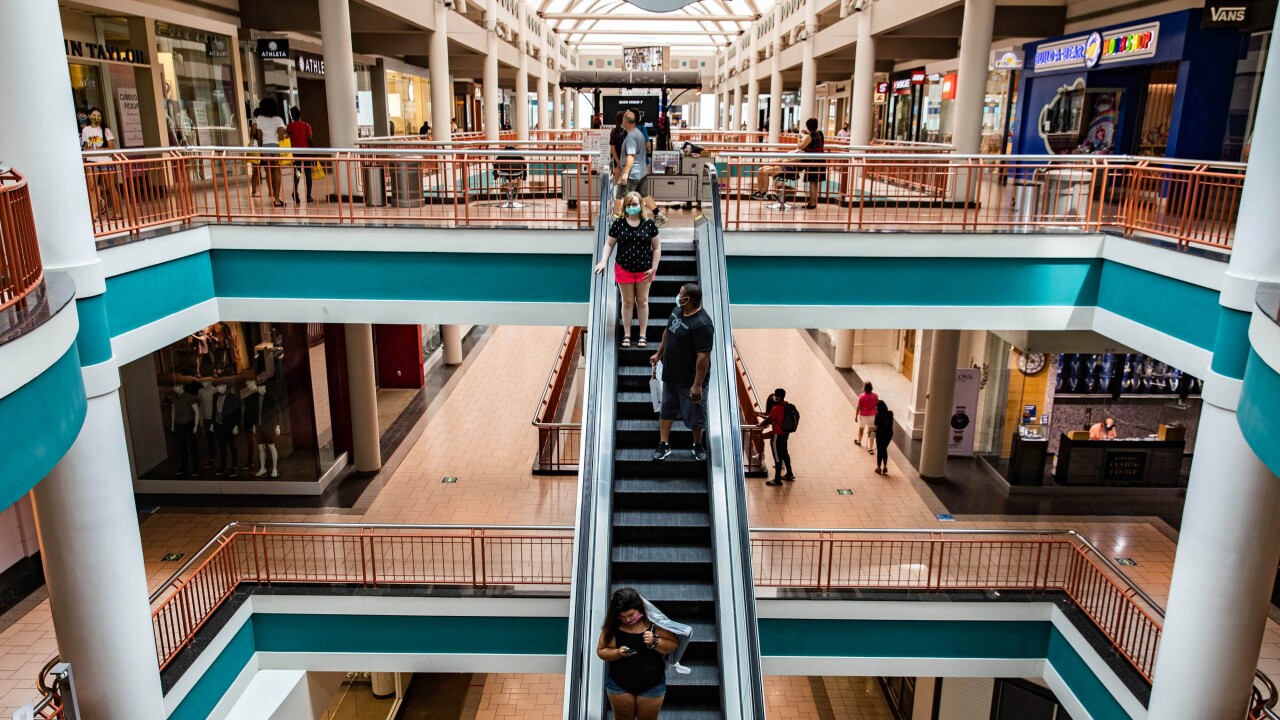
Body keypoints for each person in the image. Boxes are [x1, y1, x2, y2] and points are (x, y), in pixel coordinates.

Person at [650, 283, 713, 462]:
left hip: (690, 382)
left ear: (688, 300)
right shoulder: (677, 311)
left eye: (681, 295)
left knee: (696, 413)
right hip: (670, 377)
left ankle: (697, 444)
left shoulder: (702, 325)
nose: (678, 297)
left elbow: (703, 358)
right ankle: (664, 444)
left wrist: (697, 385)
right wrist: (658, 353)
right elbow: (667, 332)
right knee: (667, 410)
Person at [597, 588, 678, 720]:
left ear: (639, 609)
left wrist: (655, 641)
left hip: (652, 685)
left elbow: (673, 644)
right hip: (619, 684)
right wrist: (618, 652)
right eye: (622, 616)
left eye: (630, 615)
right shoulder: (613, 627)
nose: (627, 620)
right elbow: (601, 651)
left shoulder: (653, 623)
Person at [594, 191, 661, 349]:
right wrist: (603, 261)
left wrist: (654, 268)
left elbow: (657, 247)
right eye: (629, 204)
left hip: (645, 270)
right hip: (624, 269)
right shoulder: (619, 224)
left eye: (635, 204)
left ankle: (642, 335)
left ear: (641, 206)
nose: (632, 207)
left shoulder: (649, 224)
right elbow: (609, 244)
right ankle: (627, 334)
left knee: (642, 301)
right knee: (628, 302)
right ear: (625, 207)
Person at [615, 110, 668, 226]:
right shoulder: (639, 133)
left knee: (621, 196)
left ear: (625, 122)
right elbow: (646, 146)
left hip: (632, 173)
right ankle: (659, 215)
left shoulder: (631, 137)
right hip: (642, 171)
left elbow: (631, 155)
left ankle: (617, 222)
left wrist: (625, 173)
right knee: (644, 195)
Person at [81, 106, 121, 219]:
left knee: (110, 187)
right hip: (91, 162)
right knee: (92, 187)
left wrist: (97, 150)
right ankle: (94, 213)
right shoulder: (86, 130)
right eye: (94, 115)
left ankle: (117, 212)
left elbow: (111, 148)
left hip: (106, 162)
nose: (96, 117)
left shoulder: (106, 130)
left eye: (98, 116)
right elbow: (85, 147)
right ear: (89, 116)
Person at [254, 98, 288, 207]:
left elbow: (259, 137)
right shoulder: (278, 120)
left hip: (264, 147)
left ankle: (272, 193)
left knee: (269, 172)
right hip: (276, 147)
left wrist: (259, 150)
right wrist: (283, 135)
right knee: (277, 171)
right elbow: (280, 136)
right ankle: (277, 199)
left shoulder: (259, 119)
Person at [757, 388, 795, 485]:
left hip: (777, 435)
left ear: (777, 397)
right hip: (785, 434)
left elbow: (769, 420)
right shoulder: (786, 405)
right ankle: (789, 473)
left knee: (777, 457)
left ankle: (777, 480)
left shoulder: (776, 408)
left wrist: (759, 425)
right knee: (785, 453)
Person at [286, 106, 315, 204]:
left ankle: (295, 192)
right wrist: (313, 153)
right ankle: (308, 196)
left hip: (296, 153)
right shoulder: (307, 125)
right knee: (308, 174)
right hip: (307, 153)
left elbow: (287, 135)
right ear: (300, 115)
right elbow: (310, 140)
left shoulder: (290, 126)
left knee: (297, 173)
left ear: (292, 116)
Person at [873, 400, 894, 475]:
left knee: (880, 450)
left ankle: (878, 468)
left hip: (880, 434)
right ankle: (885, 467)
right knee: (884, 449)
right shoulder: (890, 413)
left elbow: (875, 427)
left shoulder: (878, 415)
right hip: (888, 434)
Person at [855, 381, 878, 447]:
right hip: (872, 416)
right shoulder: (875, 396)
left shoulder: (862, 396)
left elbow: (858, 407)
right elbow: (877, 405)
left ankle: (859, 441)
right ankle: (870, 447)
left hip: (863, 416)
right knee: (871, 431)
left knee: (861, 429)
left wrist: (856, 417)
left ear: (864, 387)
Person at [609, 111, 628, 175]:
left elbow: (612, 148)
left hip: (619, 162)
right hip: (624, 161)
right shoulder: (626, 131)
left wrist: (617, 161)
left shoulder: (614, 131)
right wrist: (618, 161)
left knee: (618, 183)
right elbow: (613, 148)